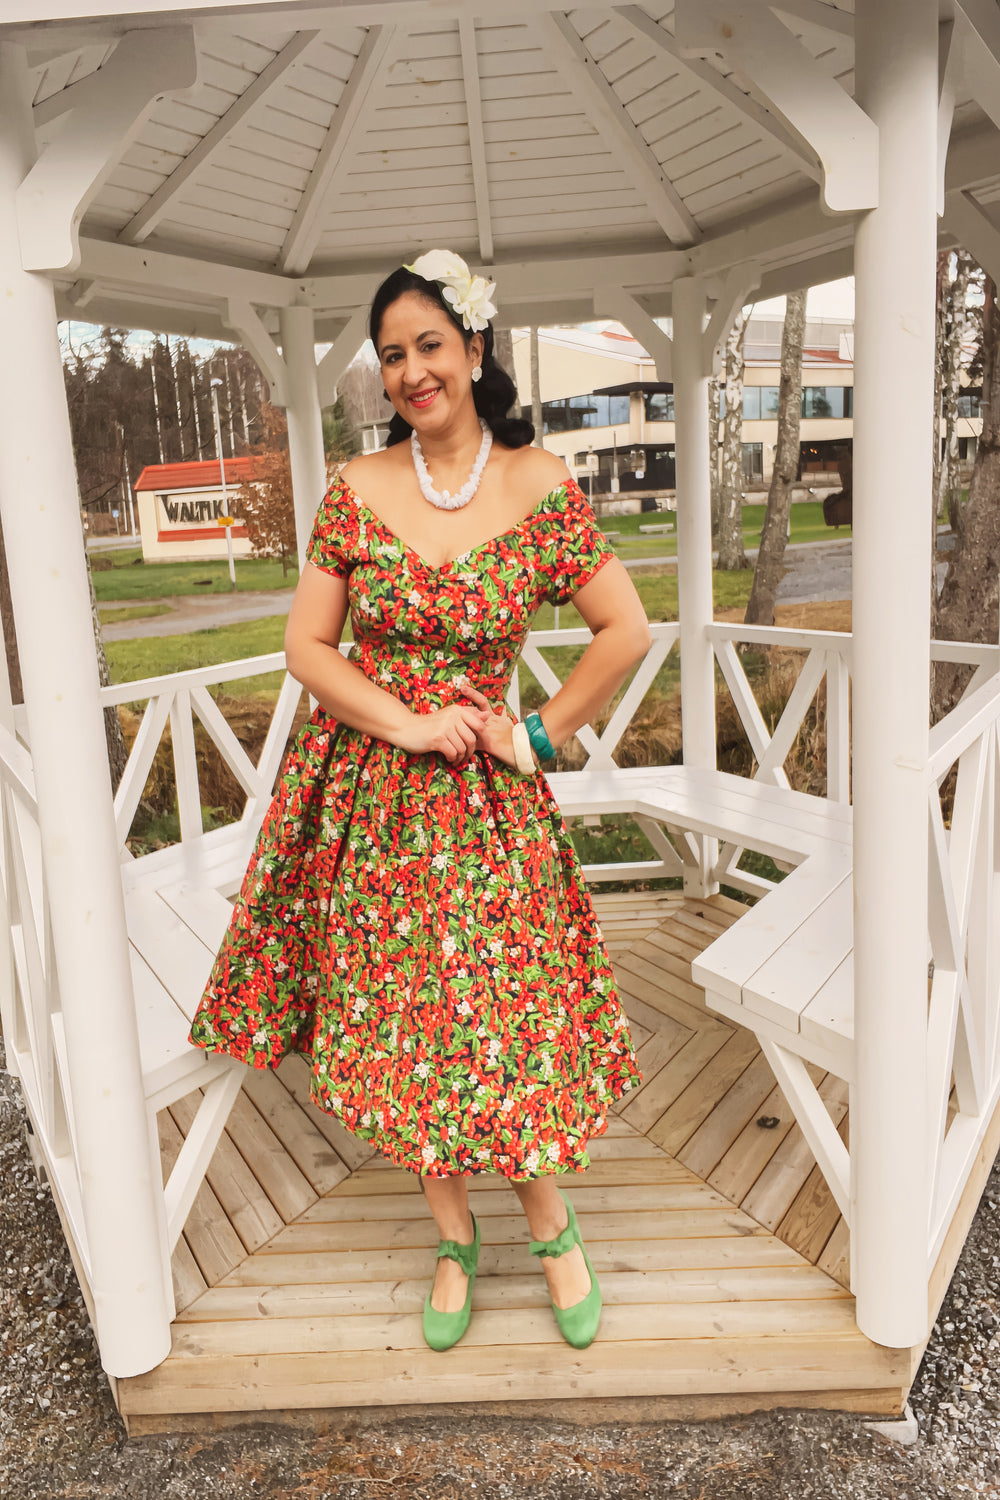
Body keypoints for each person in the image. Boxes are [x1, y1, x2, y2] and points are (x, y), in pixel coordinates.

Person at [187, 249, 651, 1354]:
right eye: (391, 355)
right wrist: (399, 719)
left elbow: (623, 630)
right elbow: (308, 646)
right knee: (405, 1024)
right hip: (373, 805)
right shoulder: (356, 491)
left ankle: (549, 1224)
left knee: (510, 1013)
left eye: (428, 345)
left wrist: (536, 733)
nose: (408, 371)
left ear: (475, 350)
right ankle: (453, 1236)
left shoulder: (538, 485)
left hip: (489, 807)